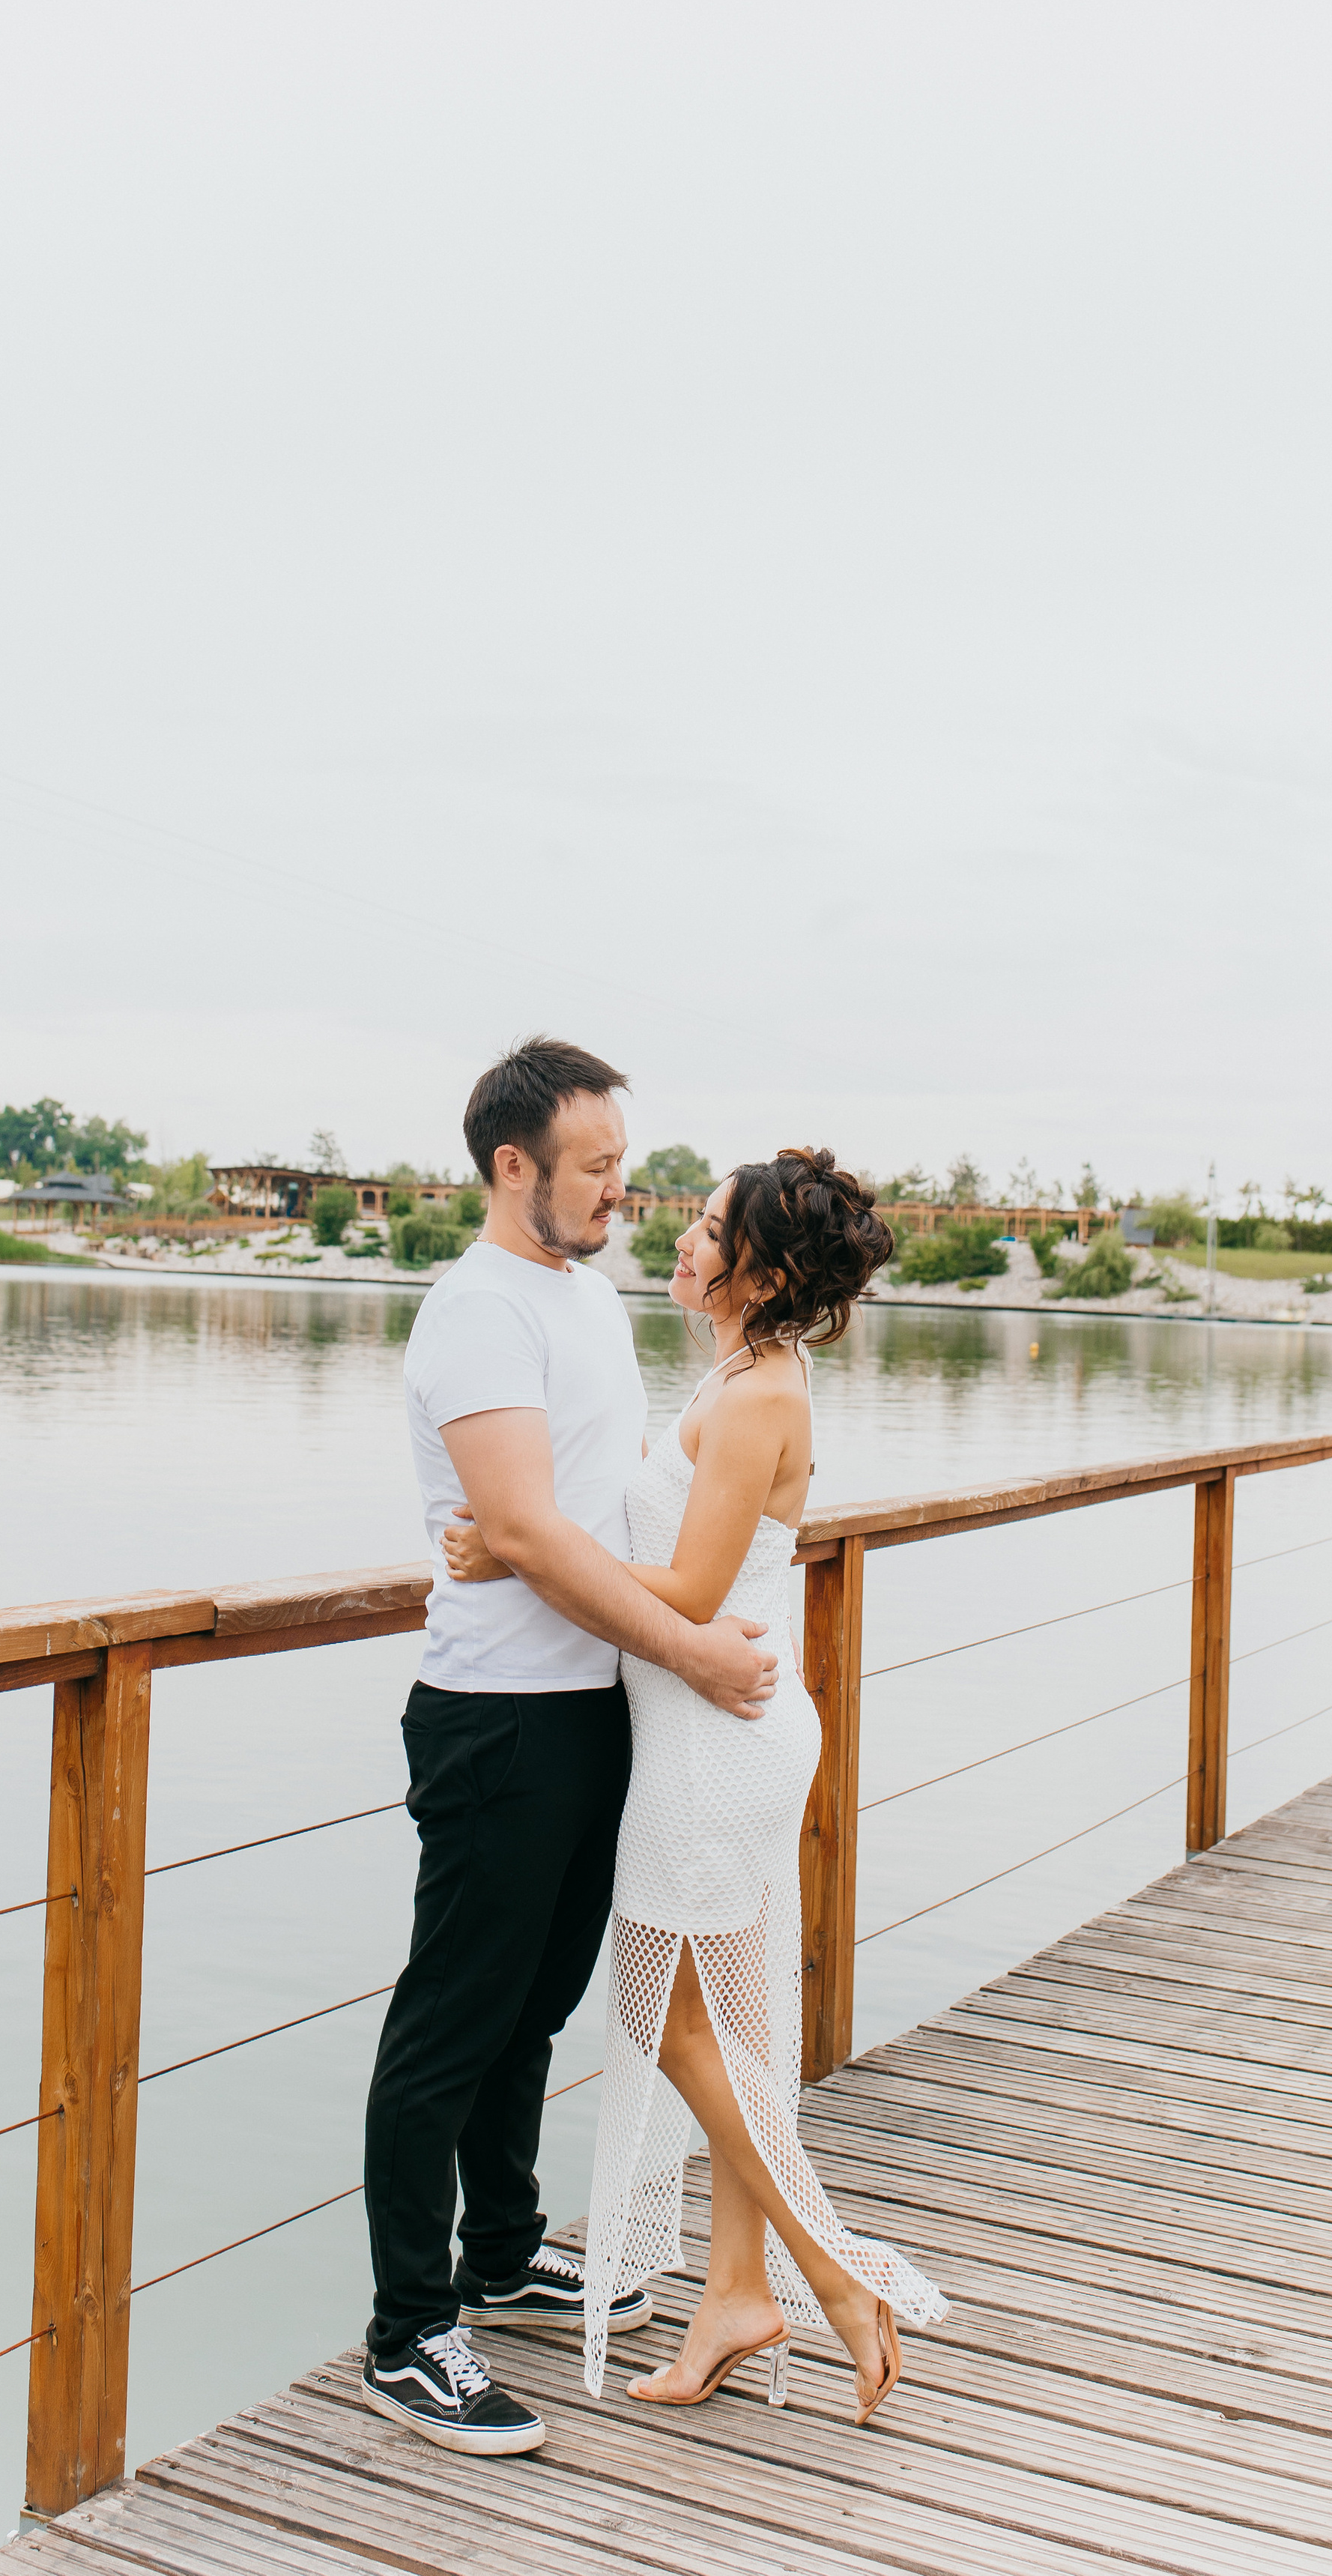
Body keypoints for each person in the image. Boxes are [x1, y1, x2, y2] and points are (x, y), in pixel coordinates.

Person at [445, 1147, 948, 2422]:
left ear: (763, 1275)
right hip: (712, 1735)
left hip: (711, 1747)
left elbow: (687, 1593)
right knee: (736, 2035)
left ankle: (831, 2274)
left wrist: (519, 1552)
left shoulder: (761, 1395)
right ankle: (734, 2295)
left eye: (711, 1230)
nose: (680, 1236)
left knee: (670, 2024)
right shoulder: (740, 1372)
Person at [360, 1037, 779, 2458]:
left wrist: (644, 1635)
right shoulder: (478, 1312)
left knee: (533, 2005)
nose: (620, 1190)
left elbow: (585, 1517)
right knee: (450, 2023)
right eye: (595, 1167)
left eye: (624, 1165)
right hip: (497, 1715)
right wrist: (695, 1651)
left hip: (594, 1704)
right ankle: (410, 2332)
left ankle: (500, 2250)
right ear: (512, 1165)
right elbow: (531, 1532)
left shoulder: (587, 1297)